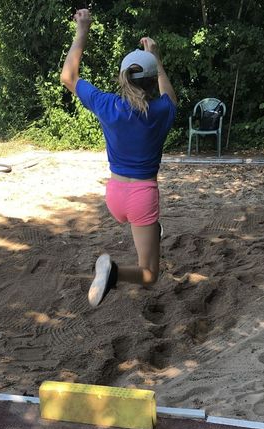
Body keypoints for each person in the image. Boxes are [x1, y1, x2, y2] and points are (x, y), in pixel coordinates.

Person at [60, 8, 177, 307]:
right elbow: (169, 96)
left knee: (149, 230)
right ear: (152, 79)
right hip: (141, 197)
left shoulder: (107, 105)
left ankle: (153, 232)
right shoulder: (161, 111)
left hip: (115, 195)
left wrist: (82, 30)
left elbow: (68, 76)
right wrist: (156, 58)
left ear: (123, 78)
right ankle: (113, 272)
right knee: (149, 275)